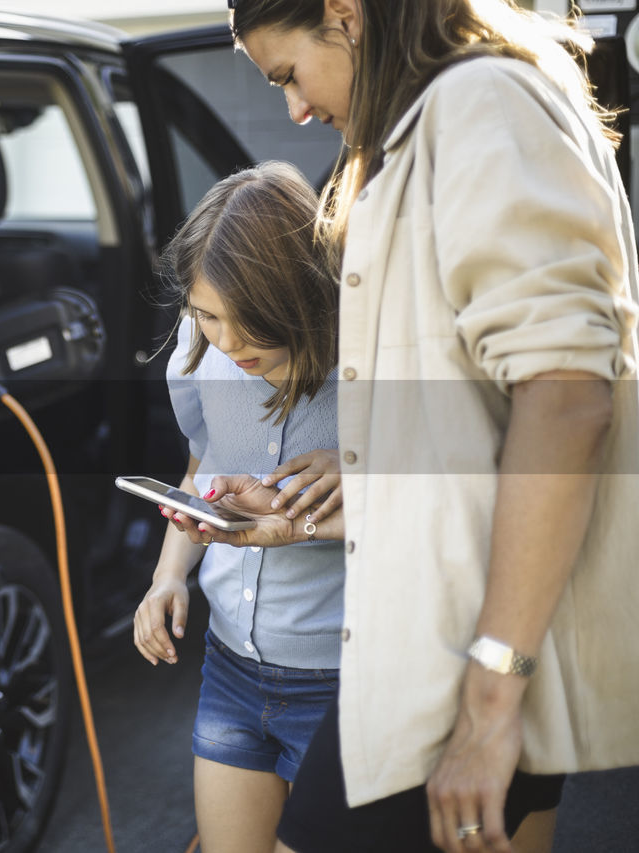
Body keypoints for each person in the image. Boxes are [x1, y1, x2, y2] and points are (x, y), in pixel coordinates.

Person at [209, 2, 639, 852]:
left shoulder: (481, 103)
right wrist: (306, 511)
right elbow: (477, 428)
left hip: (467, 659)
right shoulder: (426, 124)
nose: (293, 110)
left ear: (345, 14)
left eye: (288, 74)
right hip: (446, 639)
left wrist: (490, 701)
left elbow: (566, 398)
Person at [132, 160, 347, 853]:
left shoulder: (370, 372)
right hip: (229, 667)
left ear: (299, 301)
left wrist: (309, 515)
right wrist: (170, 575)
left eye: (244, 323)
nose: (224, 341)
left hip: (340, 681)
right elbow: (207, 462)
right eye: (205, 314)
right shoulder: (206, 350)